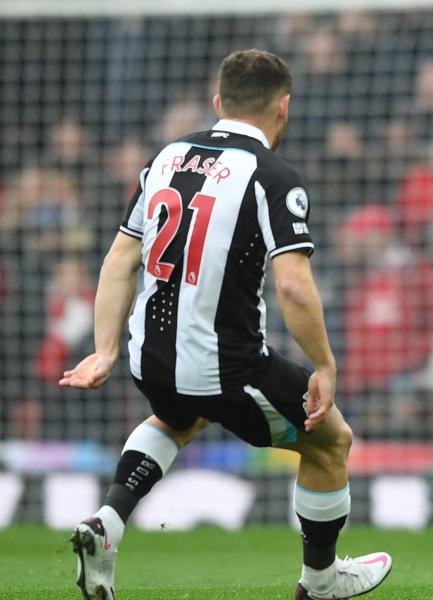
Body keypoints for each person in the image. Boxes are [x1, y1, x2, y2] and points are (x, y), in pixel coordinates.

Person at [59, 50, 391, 600]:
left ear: (218, 103)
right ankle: (321, 583)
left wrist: (105, 351)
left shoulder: (167, 157)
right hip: (225, 367)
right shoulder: (271, 175)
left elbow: (120, 257)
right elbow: (292, 285)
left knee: (178, 418)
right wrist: (326, 365)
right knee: (332, 441)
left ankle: (106, 525)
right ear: (283, 108)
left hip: (149, 359)